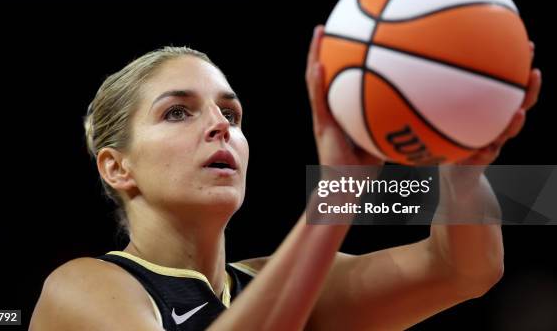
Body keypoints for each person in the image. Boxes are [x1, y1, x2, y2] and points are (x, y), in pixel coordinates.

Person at [29, 26, 541, 330]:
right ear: (117, 167)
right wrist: (339, 192)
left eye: (231, 115)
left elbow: (462, 269)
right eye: (178, 113)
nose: (218, 127)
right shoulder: (82, 288)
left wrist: (461, 165)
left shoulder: (280, 284)